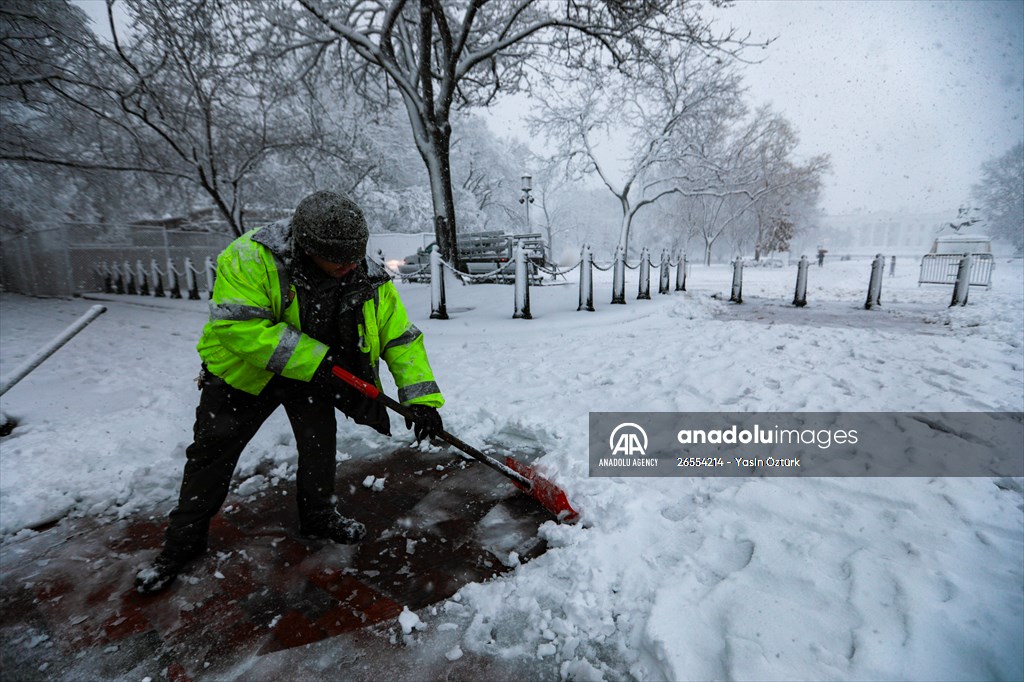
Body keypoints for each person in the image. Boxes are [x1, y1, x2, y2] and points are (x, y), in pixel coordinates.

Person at [135, 191, 444, 594]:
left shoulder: (367, 276)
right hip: (243, 376)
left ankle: (318, 515)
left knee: (320, 445)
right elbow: (237, 326)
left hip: (313, 375)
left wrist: (420, 399)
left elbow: (399, 337)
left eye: (355, 257)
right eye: (339, 261)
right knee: (212, 453)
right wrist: (316, 360)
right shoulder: (249, 257)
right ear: (307, 248)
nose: (349, 267)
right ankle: (181, 544)